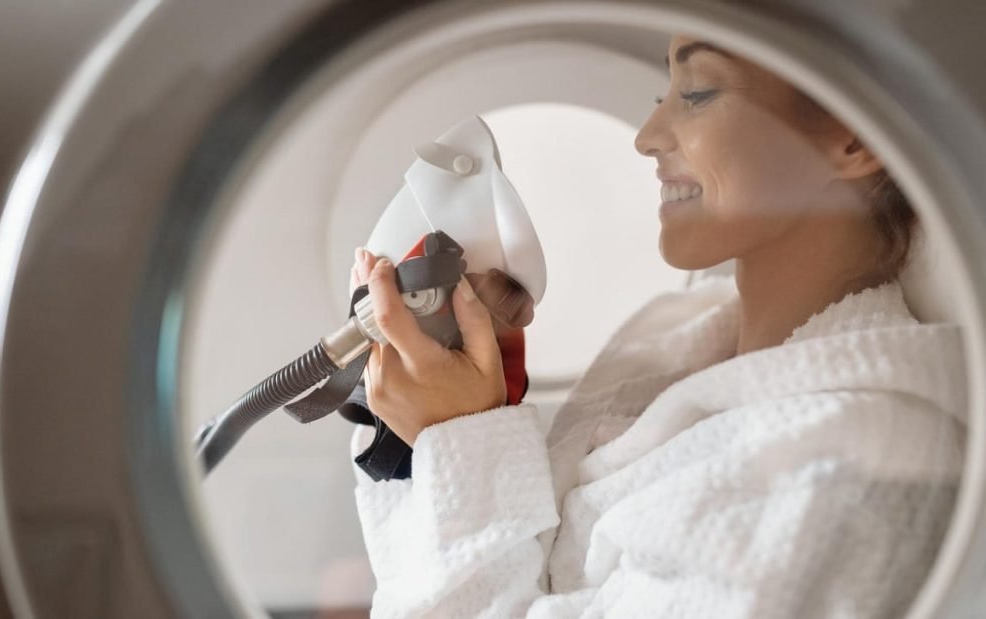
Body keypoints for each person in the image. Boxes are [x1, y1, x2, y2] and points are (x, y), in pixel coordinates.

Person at [346, 34, 966, 618]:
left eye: (697, 94)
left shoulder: (842, 475)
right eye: (659, 96)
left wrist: (462, 440)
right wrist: (461, 406)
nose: (646, 137)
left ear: (852, 139)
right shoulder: (684, 354)